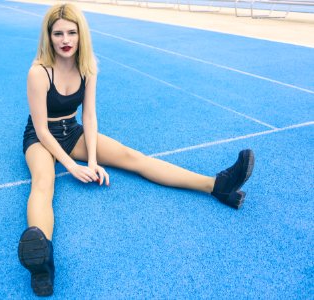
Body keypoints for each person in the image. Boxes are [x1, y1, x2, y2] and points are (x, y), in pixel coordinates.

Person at [17, 3, 254, 297]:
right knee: (44, 181)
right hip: (41, 139)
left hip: (72, 131)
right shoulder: (39, 73)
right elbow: (41, 129)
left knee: (134, 158)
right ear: (48, 37)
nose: (65, 40)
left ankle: (217, 186)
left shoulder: (88, 68)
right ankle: (42, 262)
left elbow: (89, 117)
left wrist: (91, 159)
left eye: (71, 33)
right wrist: (72, 166)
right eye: (58, 33)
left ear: (81, 36)